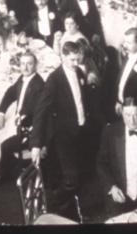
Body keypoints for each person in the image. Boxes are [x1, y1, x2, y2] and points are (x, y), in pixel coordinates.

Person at [30, 41, 95, 220]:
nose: (76, 63)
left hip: (81, 132)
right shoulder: (54, 80)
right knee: (71, 179)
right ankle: (52, 208)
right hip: (63, 136)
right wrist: (36, 143)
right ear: (63, 57)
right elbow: (40, 111)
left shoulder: (79, 72)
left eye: (77, 59)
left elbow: (83, 101)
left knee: (81, 174)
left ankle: (71, 210)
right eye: (72, 60)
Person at [96, 100, 137, 219]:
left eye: (135, 114)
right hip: (121, 198)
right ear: (122, 114)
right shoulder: (110, 132)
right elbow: (101, 164)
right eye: (128, 115)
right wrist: (112, 187)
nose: (132, 120)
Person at [0, 51, 44, 184]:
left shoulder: (39, 85)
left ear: (35, 65)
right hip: (20, 122)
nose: (25, 67)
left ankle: (1, 176)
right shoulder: (23, 78)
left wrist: (20, 121)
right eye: (22, 64)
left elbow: (38, 115)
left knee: (4, 145)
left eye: (29, 64)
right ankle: (10, 166)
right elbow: (10, 93)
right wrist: (1, 112)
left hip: (30, 130)